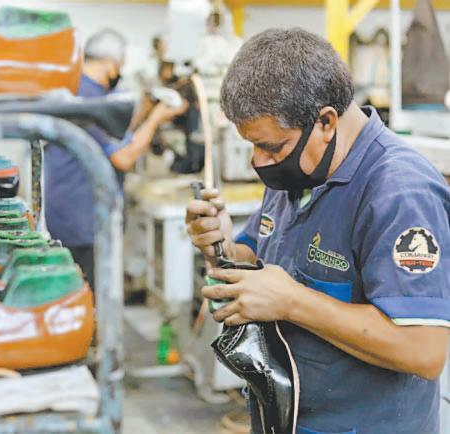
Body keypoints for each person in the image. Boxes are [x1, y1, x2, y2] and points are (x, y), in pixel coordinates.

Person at [186, 28, 450, 434]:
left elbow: (424, 350)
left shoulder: (399, 192)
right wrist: (219, 244)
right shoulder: (298, 170)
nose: (260, 161)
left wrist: (292, 302)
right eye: (254, 146)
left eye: (272, 147)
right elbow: (260, 260)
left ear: (325, 122)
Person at [45, 29, 186, 288]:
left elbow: (113, 138)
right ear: (111, 64)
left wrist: (143, 111)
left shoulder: (79, 90)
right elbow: (123, 157)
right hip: (83, 221)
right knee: (92, 297)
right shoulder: (89, 100)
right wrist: (156, 119)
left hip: (70, 214)